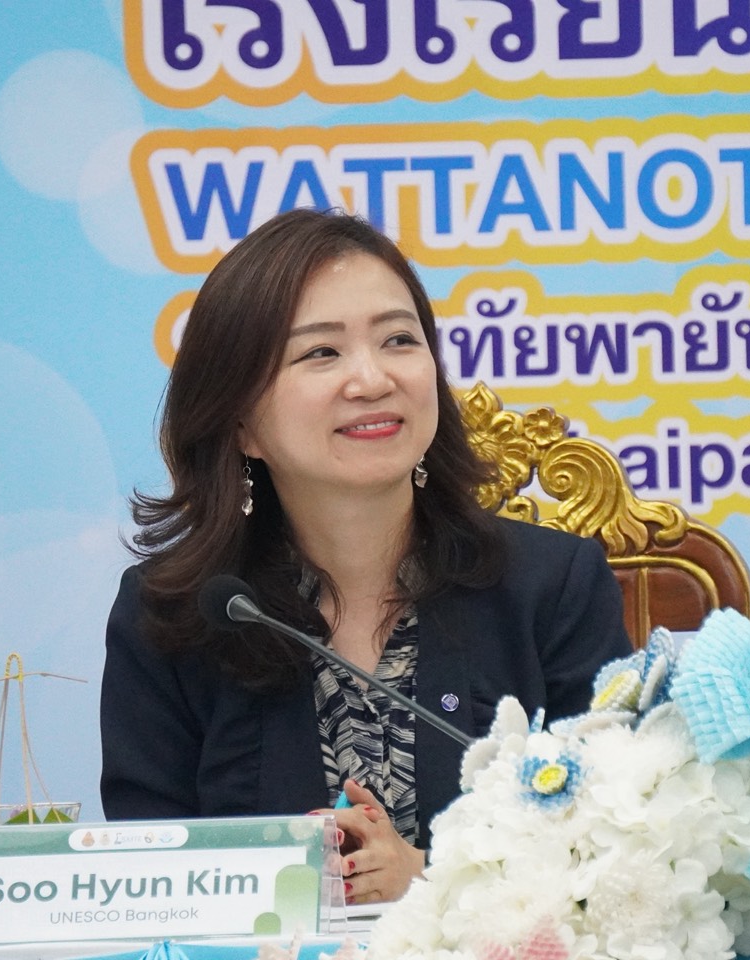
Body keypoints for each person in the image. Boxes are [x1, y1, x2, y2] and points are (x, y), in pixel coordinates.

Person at [100, 208, 632, 904]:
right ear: (240, 422)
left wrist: (433, 882)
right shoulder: (175, 615)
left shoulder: (552, 587)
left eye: (399, 340)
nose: (373, 379)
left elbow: (622, 853)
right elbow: (147, 884)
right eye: (321, 353)